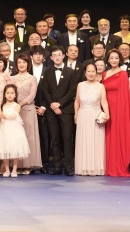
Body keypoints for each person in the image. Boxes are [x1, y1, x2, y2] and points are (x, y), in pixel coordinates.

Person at [43, 46, 81, 176]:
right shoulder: (47, 72)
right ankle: (57, 167)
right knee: (55, 139)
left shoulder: (71, 72)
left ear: (64, 56)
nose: (57, 57)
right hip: (51, 111)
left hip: (66, 110)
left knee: (67, 138)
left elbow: (72, 91)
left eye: (59, 55)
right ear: (51, 57)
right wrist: (53, 105)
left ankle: (69, 167)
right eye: (54, 55)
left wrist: (59, 104)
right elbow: (45, 90)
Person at [101, 50, 130, 177]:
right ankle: (107, 165)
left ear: (120, 59)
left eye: (116, 58)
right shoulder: (104, 74)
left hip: (118, 109)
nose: (114, 60)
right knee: (107, 137)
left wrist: (122, 113)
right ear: (108, 60)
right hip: (106, 108)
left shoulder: (123, 74)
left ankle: (117, 165)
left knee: (116, 135)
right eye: (111, 58)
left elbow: (125, 95)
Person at [73, 63, 109, 176]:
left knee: (95, 141)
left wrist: (107, 114)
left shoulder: (100, 86)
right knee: (83, 141)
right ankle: (83, 168)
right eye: (88, 71)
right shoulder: (80, 85)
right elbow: (77, 101)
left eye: (93, 71)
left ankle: (95, 168)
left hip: (95, 115)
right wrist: (76, 115)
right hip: (82, 115)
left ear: (96, 72)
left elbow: (104, 101)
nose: (91, 73)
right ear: (85, 73)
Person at [12, 54, 42, 174]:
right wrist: (15, 106)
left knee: (29, 137)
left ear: (28, 64)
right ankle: (17, 165)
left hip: (28, 109)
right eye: (19, 62)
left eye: (24, 62)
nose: (21, 64)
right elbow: (9, 92)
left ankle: (28, 165)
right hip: (15, 111)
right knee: (17, 138)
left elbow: (32, 95)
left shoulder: (32, 78)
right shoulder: (12, 78)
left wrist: (20, 104)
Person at [0, 84, 30, 178]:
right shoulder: (2, 106)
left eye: (12, 93)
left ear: (15, 95)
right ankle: (7, 170)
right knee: (5, 149)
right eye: (8, 93)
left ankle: (14, 170)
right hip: (4, 129)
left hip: (15, 129)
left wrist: (3, 115)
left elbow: (14, 115)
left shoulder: (17, 105)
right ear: (4, 95)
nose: (10, 95)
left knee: (15, 149)